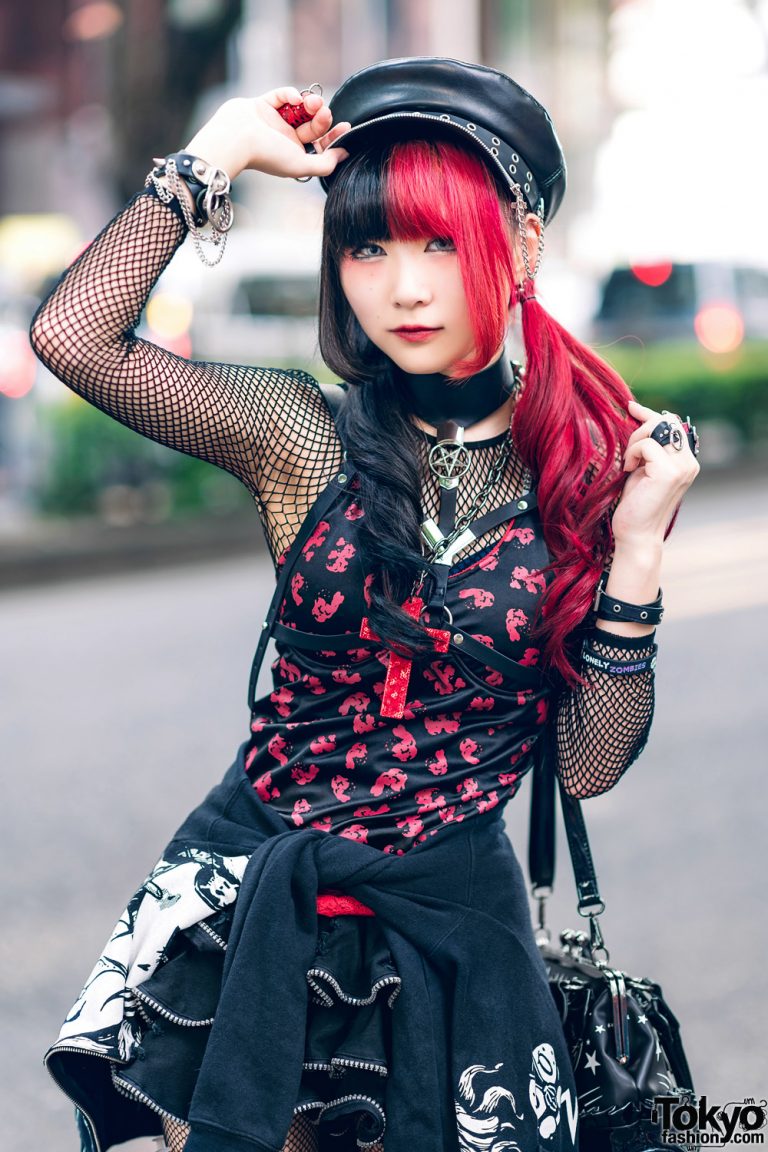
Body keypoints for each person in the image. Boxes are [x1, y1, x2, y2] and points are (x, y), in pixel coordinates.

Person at [29, 56, 699, 1152]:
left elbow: (583, 766)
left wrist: (634, 555)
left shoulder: (587, 476)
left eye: (441, 242)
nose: (405, 286)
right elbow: (74, 340)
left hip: (453, 937)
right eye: (368, 245)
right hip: (253, 895)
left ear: (521, 248)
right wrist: (221, 151)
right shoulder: (302, 436)